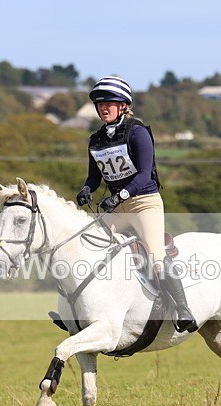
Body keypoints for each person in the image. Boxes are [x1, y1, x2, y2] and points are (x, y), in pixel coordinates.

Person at [76, 76, 197, 333]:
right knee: (86, 244)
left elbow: (144, 174)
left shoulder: (137, 132)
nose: (104, 108)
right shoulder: (96, 140)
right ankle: (80, 310)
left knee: (155, 254)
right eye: (100, 104)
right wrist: (86, 189)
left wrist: (119, 196)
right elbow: (94, 177)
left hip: (144, 203)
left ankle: (184, 309)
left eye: (110, 103)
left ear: (123, 106)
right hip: (116, 208)